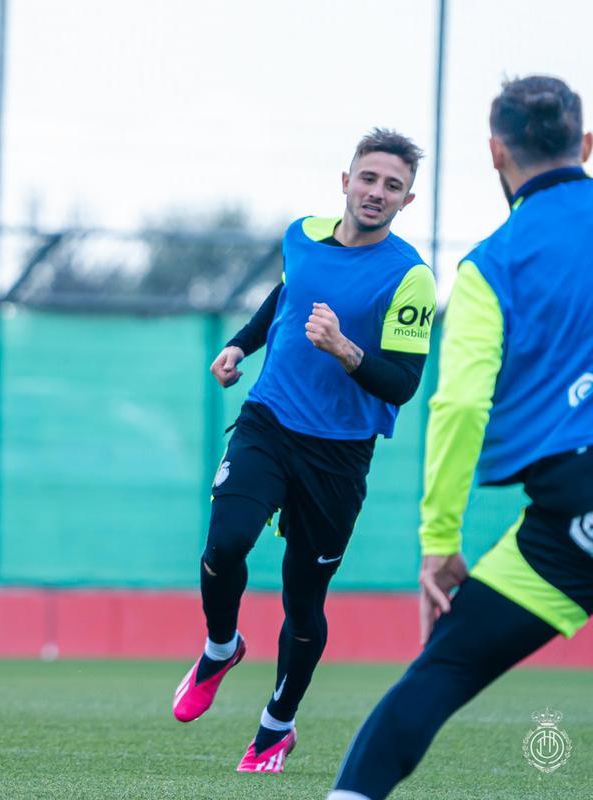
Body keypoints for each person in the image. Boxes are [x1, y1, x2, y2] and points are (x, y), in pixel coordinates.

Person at [328, 76, 593, 800]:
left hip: (575, 519)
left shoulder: (493, 264)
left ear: (495, 151)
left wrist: (440, 541)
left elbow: (460, 405)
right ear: (588, 145)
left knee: (445, 669)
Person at [171, 130, 438, 773]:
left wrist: (345, 349)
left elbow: (403, 383)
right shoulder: (301, 233)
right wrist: (240, 344)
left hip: (339, 457)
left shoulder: (411, 277)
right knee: (225, 542)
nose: (377, 192)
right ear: (344, 180)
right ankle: (220, 646)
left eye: (392, 186)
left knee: (303, 601)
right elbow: (284, 299)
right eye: (368, 178)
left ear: (407, 199)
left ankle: (276, 726)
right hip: (269, 423)